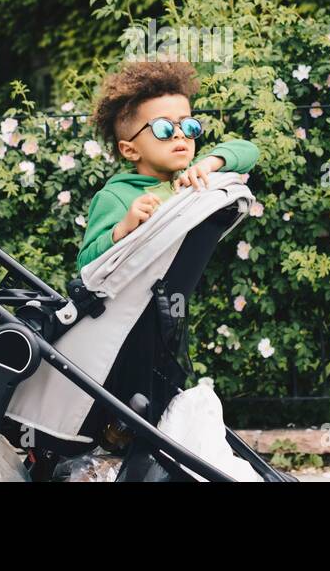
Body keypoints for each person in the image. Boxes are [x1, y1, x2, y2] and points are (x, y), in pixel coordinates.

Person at [77, 59, 259, 426]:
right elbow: (87, 266)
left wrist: (210, 163)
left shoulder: (191, 180)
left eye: (189, 126)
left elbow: (248, 150)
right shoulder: (117, 197)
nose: (181, 136)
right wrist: (122, 228)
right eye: (163, 128)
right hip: (126, 327)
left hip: (165, 317)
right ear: (130, 150)